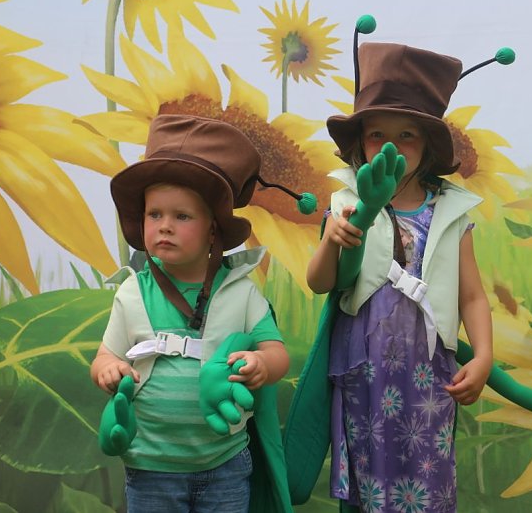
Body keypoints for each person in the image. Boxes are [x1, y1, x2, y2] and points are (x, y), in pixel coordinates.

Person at [302, 39, 493, 512]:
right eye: (377, 135)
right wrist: (332, 239)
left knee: (427, 485)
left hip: (429, 375)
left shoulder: (451, 212)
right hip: (364, 371)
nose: (391, 146)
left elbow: (471, 297)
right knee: (371, 489)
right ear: (360, 142)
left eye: (407, 135)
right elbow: (320, 282)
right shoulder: (346, 203)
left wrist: (484, 356)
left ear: (428, 145)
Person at [90, 113, 302, 513]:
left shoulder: (240, 292)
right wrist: (107, 370)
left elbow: (278, 354)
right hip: (150, 467)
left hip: (223, 464)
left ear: (212, 231)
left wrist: (260, 362)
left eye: (182, 216)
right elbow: (105, 355)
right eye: (155, 215)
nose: (164, 226)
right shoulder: (133, 292)